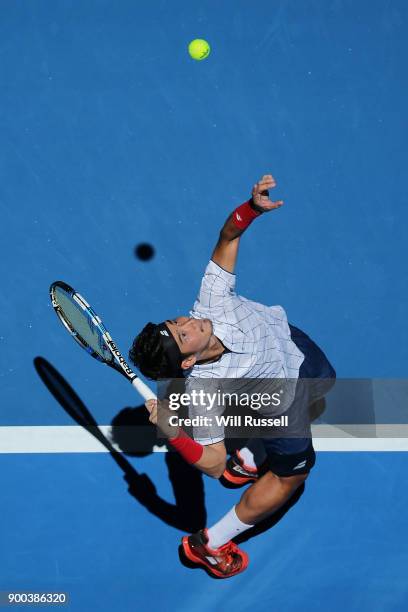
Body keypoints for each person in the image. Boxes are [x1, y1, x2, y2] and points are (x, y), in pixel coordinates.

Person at [129, 174, 335, 578]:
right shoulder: (204, 392)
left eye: (178, 320)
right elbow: (209, 462)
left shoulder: (210, 300)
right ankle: (210, 543)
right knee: (293, 475)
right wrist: (174, 433)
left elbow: (227, 238)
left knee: (325, 381)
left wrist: (251, 210)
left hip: (287, 341)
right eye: (182, 334)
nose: (190, 321)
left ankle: (246, 460)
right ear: (186, 364)